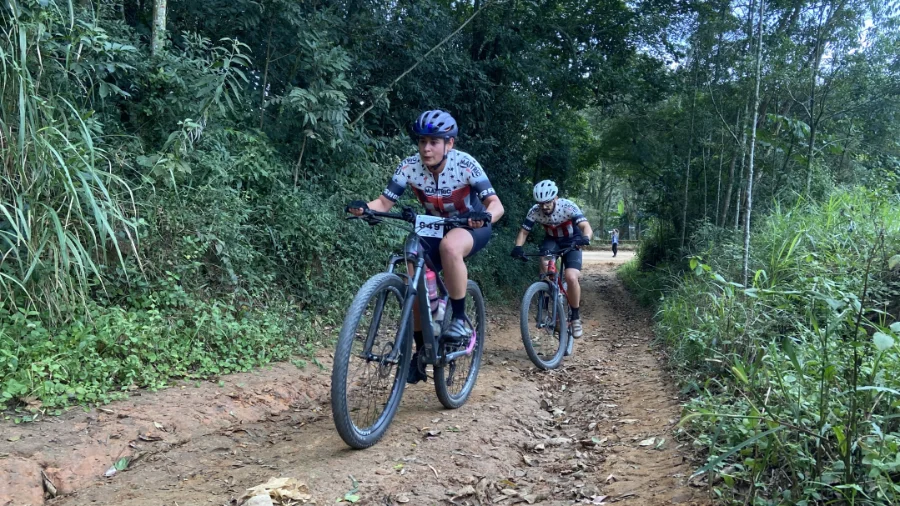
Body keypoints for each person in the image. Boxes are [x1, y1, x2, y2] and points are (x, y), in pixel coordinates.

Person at [346, 109, 504, 383]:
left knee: (450, 248)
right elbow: (383, 203)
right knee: (413, 273)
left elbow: (496, 204)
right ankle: (421, 353)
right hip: (433, 226)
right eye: (422, 142)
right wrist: (363, 208)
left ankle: (459, 319)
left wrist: (485, 216)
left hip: (470, 225)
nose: (427, 148)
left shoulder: (465, 165)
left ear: (449, 143)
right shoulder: (409, 167)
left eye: (434, 141)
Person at [510, 180, 592, 338]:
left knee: (571, 276)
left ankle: (575, 317)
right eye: (540, 204)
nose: (544, 207)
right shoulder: (535, 211)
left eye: (547, 202)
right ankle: (546, 295)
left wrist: (585, 238)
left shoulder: (567, 206)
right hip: (552, 240)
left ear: (556, 198)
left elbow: (585, 227)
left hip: (572, 239)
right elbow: (523, 232)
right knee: (544, 262)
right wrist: (518, 247)